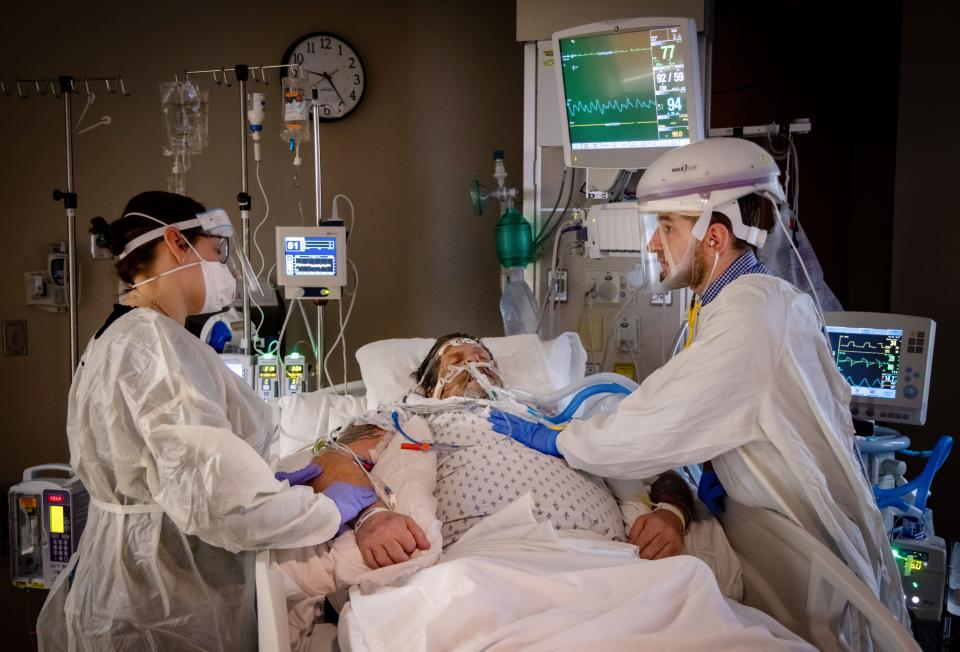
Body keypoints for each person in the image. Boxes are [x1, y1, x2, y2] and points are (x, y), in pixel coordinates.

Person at [487, 138, 909, 627]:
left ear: (714, 235)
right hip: (774, 541)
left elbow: (648, 431)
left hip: (812, 554)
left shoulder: (750, 320)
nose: (652, 244)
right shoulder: (738, 304)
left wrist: (560, 439)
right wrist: (676, 507)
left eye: (667, 227)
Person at [37, 191, 376, 652]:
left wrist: (265, 481)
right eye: (217, 252)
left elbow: (177, 468)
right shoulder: (154, 347)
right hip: (161, 600)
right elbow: (219, 504)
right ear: (177, 243)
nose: (224, 270)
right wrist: (324, 510)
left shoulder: (123, 336)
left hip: (132, 580)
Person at [310, 333, 695, 569]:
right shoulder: (404, 413)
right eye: (457, 361)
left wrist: (672, 514)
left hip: (609, 559)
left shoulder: (556, 415)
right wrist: (371, 517)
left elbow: (654, 463)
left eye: (482, 359)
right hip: (479, 560)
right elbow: (334, 457)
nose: (474, 364)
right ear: (430, 387)